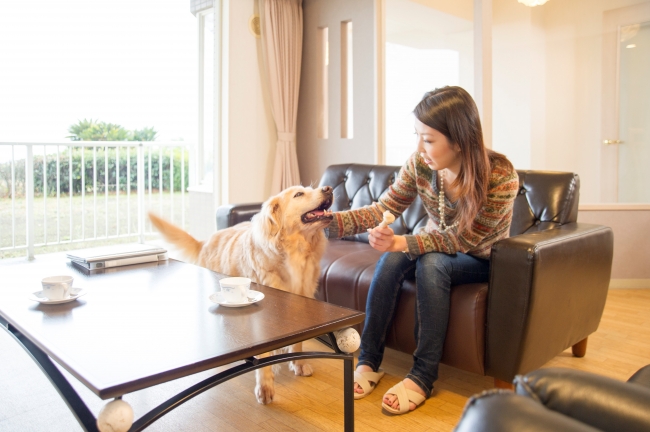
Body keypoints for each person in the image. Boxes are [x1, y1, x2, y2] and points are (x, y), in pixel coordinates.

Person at [326, 86, 519, 415]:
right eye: (418, 136)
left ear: (458, 139)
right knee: (393, 258)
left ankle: (422, 376)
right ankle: (369, 360)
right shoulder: (421, 165)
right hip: (434, 247)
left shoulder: (500, 176)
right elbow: (382, 208)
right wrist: (326, 222)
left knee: (431, 264)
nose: (419, 148)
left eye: (428, 139)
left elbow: (465, 241)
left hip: (482, 259)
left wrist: (402, 241)